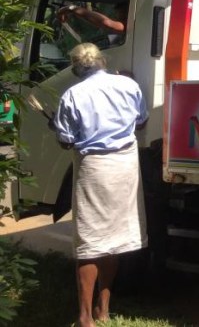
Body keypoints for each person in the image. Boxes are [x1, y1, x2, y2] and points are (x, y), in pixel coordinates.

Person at [51, 42, 148, 327]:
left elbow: (65, 140)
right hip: (125, 167)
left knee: (90, 243)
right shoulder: (128, 85)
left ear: (76, 67)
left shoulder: (73, 94)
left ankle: (84, 317)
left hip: (93, 168)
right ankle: (103, 310)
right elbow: (141, 122)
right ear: (102, 61)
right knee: (114, 240)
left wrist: (57, 131)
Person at [57, 2, 128, 47]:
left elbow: (106, 23)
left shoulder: (128, 25)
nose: (118, 14)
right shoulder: (118, 37)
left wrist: (72, 8)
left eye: (122, 11)